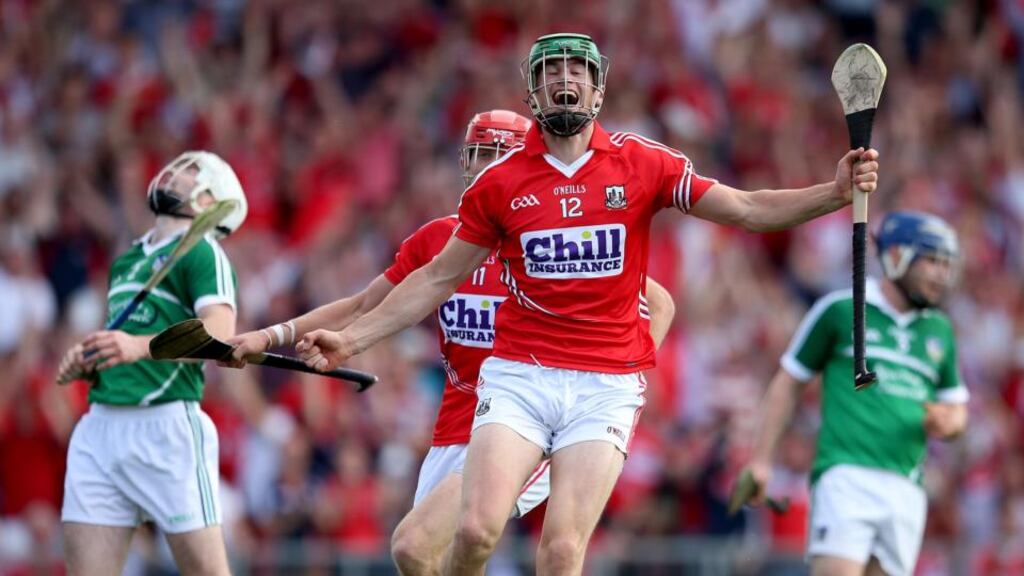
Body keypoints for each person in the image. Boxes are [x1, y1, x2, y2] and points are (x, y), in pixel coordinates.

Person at [295, 32, 880, 575]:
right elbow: (435, 279)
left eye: (577, 69)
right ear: (533, 90)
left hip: (605, 384)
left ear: (599, 88)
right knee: (474, 531)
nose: (564, 79)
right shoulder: (499, 183)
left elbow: (747, 209)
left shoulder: (643, 162)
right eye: (551, 71)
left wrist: (831, 194)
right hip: (521, 375)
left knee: (561, 550)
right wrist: (351, 339)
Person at [225, 109, 677, 575]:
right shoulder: (440, 240)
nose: (482, 167)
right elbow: (362, 305)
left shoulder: (551, 235)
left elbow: (659, 304)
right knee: (431, 561)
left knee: (414, 545)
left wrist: (617, 388)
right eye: (476, 154)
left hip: (530, 426)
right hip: (456, 429)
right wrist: (268, 336)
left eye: (495, 156)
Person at [740, 211, 969, 576]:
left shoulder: (939, 330)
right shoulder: (841, 309)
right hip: (846, 476)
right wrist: (762, 460)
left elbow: (957, 407)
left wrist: (950, 422)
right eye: (932, 261)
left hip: (906, 486)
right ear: (896, 256)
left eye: (946, 264)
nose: (941, 274)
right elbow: (788, 383)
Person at [55, 151, 247, 575]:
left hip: (166, 429)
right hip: (100, 429)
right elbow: (124, 339)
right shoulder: (127, 261)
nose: (175, 173)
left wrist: (139, 348)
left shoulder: (203, 251)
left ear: (210, 199)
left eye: (191, 171)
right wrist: (92, 358)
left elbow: (218, 332)